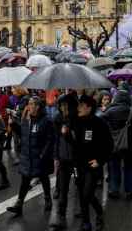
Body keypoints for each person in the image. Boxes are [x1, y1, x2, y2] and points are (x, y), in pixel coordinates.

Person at [7, 96, 55, 216]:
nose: (29, 106)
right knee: (25, 180)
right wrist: (13, 125)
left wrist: (43, 154)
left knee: (44, 178)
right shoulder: (26, 119)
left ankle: (48, 199)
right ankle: (19, 204)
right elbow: (23, 133)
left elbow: (50, 140)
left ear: (38, 107)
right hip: (28, 157)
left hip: (40, 157)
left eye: (31, 104)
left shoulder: (46, 121)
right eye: (28, 103)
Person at [73, 95, 113, 231]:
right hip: (79, 165)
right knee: (82, 194)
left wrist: (100, 161)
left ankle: (99, 214)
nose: (78, 108)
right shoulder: (77, 122)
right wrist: (67, 135)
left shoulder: (99, 123)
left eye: (81, 105)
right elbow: (75, 145)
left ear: (89, 108)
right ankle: (86, 222)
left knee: (87, 194)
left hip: (93, 165)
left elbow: (109, 145)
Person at [102, 89, 132, 200]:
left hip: (114, 143)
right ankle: (129, 191)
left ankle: (114, 190)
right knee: (129, 168)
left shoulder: (109, 111)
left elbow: (102, 123)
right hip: (131, 145)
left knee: (114, 167)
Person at [49, 93, 78, 230]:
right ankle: (60, 216)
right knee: (63, 187)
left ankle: (83, 210)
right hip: (63, 158)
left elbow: (79, 141)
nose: (63, 108)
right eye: (61, 105)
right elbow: (56, 139)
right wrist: (56, 157)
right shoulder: (57, 118)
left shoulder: (78, 118)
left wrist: (69, 133)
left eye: (66, 105)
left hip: (77, 159)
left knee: (81, 185)